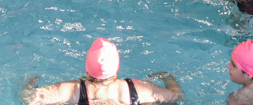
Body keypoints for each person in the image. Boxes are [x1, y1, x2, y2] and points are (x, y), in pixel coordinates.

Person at [21, 38, 184, 105]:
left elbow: (30, 99)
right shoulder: (138, 88)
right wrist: (167, 77)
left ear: (87, 69)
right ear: (118, 66)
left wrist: (28, 83)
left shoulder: (75, 89)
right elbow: (176, 95)